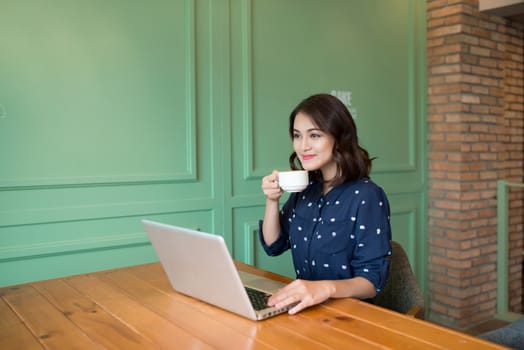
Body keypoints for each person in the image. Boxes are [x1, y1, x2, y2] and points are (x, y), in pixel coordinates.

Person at [259, 93, 392, 315]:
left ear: (339, 138)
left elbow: (371, 282)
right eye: (297, 135)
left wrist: (324, 288)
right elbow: (274, 245)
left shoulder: (366, 195)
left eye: (315, 135)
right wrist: (272, 200)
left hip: (349, 318)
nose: (303, 146)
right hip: (305, 312)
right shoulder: (306, 190)